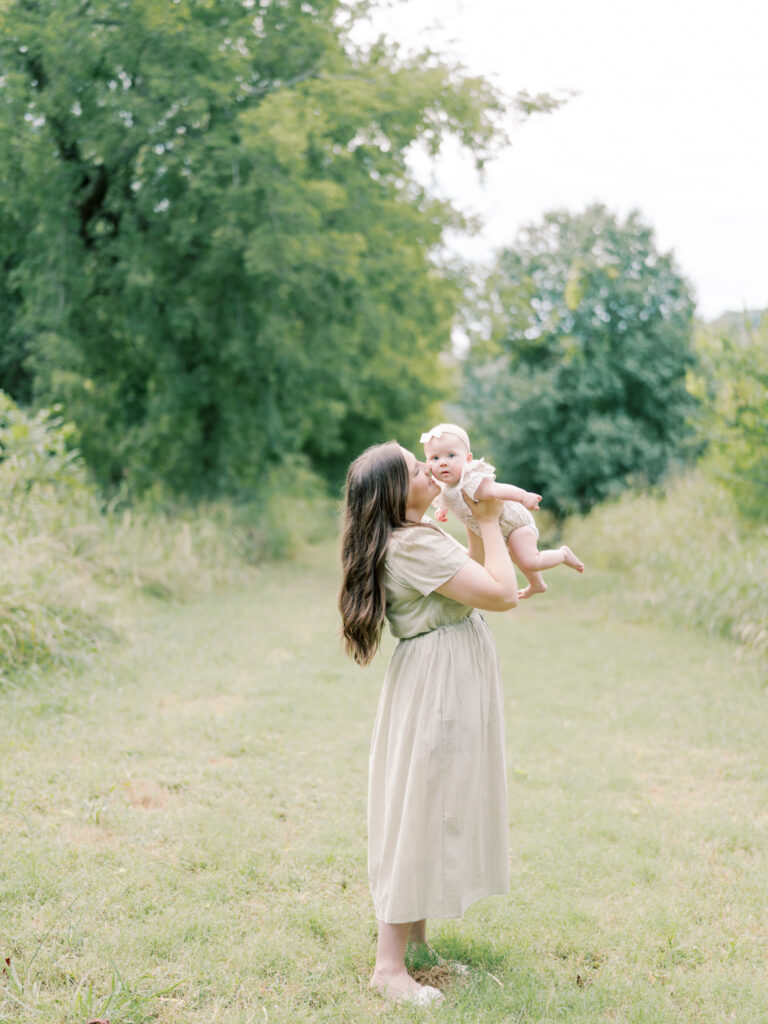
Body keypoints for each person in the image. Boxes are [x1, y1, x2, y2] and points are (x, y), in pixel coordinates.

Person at [338, 441, 519, 1007]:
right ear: (399, 491)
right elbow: (501, 593)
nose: (431, 469)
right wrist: (491, 524)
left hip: (445, 673)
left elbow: (465, 574)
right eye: (418, 469)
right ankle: (388, 968)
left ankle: (414, 944)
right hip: (439, 681)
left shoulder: (416, 535)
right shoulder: (410, 545)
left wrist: (469, 516)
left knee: (435, 800)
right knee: (421, 807)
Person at [421, 423, 584, 599]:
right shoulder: (445, 487)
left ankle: (563, 554)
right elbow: (449, 500)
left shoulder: (471, 480)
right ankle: (537, 584)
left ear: (468, 459)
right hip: (499, 529)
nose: (443, 462)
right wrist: (442, 510)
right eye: (435, 458)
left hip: (515, 524)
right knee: (516, 556)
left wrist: (523, 496)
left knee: (528, 561)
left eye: (451, 455)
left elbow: (497, 490)